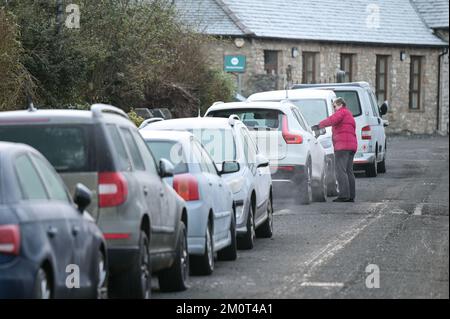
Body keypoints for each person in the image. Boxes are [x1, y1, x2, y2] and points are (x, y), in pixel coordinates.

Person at [312, 97, 357, 202]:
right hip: (351, 146)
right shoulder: (349, 114)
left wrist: (319, 125)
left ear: (340, 105)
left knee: (340, 171)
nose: (334, 108)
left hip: (343, 146)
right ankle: (351, 196)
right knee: (349, 171)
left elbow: (332, 120)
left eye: (334, 106)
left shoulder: (341, 112)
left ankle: (344, 195)